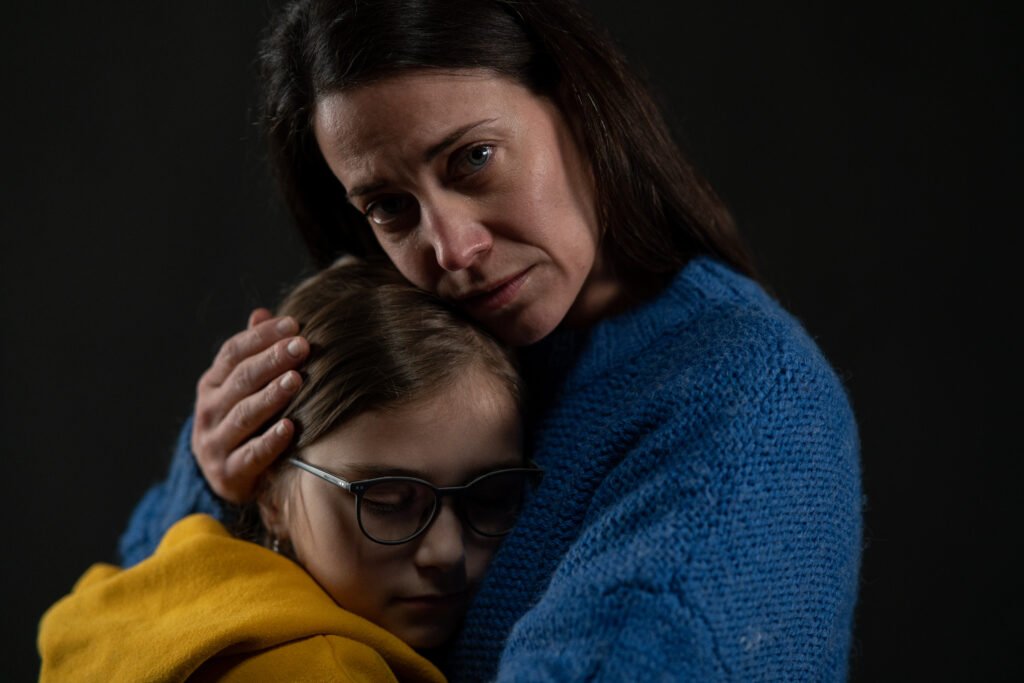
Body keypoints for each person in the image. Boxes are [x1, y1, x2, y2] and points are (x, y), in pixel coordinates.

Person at [119, 0, 862, 680]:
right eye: (390, 206)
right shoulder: (393, 345)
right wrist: (219, 483)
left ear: (578, 107)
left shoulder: (748, 405)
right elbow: (122, 627)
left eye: (473, 158)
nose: (453, 248)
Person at [39, 260, 539, 682]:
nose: (448, 553)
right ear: (270, 493)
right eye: (388, 502)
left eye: (490, 497)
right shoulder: (327, 669)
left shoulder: (122, 601)